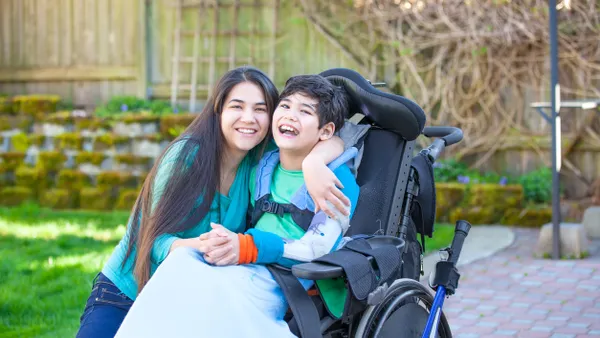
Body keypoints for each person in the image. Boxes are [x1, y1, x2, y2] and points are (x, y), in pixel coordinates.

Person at [75, 67, 351, 338]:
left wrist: (314, 163)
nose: (249, 119)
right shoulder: (185, 157)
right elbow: (151, 241)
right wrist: (210, 246)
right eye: (237, 107)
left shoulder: (262, 158)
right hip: (127, 291)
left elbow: (330, 138)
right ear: (218, 110)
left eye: (260, 109)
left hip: (192, 295)